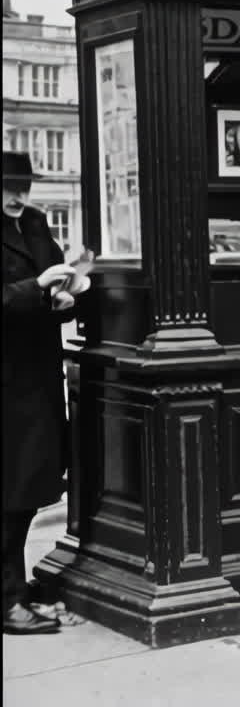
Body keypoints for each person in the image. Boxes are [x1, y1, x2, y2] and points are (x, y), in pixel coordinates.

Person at [2, 151, 89, 634]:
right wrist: (36, 287)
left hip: (35, 374)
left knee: (30, 486)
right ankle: (7, 598)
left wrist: (66, 294)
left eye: (25, 186)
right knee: (9, 490)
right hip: (7, 379)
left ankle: (12, 585)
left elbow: (48, 290)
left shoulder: (33, 223)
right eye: (9, 187)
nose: (19, 196)